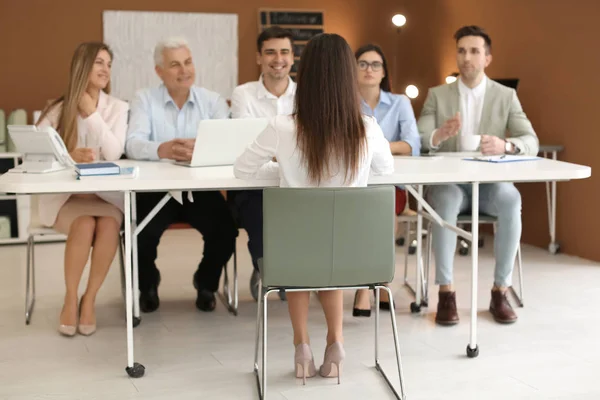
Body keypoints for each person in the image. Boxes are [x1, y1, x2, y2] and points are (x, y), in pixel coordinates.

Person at [234, 33, 394, 384]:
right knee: (330, 249)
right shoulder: (366, 127)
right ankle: (335, 341)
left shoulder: (283, 126)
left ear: (304, 75)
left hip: (295, 255)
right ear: (347, 76)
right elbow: (386, 171)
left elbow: (242, 171)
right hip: (356, 259)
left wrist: (284, 170)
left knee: (302, 257)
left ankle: (301, 343)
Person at [418, 25, 539, 325]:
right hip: (451, 182)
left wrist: (505, 144)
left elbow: (531, 140)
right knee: (443, 202)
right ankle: (446, 292)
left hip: (490, 182)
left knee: (511, 198)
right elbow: (418, 137)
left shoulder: (506, 96)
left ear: (488, 58)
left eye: (474, 51)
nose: (466, 57)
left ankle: (501, 289)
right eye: (461, 51)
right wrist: (438, 134)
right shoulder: (437, 94)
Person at [125, 37, 237, 313]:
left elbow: (227, 143)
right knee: (139, 235)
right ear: (159, 71)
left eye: (188, 62)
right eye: (174, 64)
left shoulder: (212, 101)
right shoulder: (143, 99)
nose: (184, 70)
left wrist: (204, 148)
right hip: (155, 191)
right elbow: (132, 143)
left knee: (225, 232)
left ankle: (206, 282)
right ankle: (148, 284)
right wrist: (161, 148)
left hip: (199, 191)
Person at [36, 42, 129, 337]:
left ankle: (89, 299)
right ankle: (70, 298)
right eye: (99, 62)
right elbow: (36, 155)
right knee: (85, 223)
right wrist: (67, 156)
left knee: (109, 225)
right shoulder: (56, 109)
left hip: (104, 198)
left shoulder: (118, 108)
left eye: (109, 64)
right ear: (82, 66)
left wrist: (91, 114)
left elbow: (114, 153)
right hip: (67, 201)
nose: (105, 70)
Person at [352, 43, 421, 317]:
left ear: (384, 72)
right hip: (353, 184)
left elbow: (413, 144)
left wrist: (374, 147)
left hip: (391, 186)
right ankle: (372, 282)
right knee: (362, 212)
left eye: (375, 65)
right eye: (363, 64)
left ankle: (370, 284)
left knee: (381, 205)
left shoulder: (400, 103)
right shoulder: (342, 101)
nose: (369, 69)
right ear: (352, 69)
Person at [229, 26, 296, 301]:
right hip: (253, 184)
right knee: (259, 215)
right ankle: (267, 268)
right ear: (259, 57)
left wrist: (272, 149)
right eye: (270, 52)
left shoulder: (308, 94)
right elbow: (244, 144)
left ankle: (297, 272)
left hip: (295, 182)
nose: (277, 58)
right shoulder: (243, 94)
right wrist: (287, 151)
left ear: (293, 57)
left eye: (284, 52)